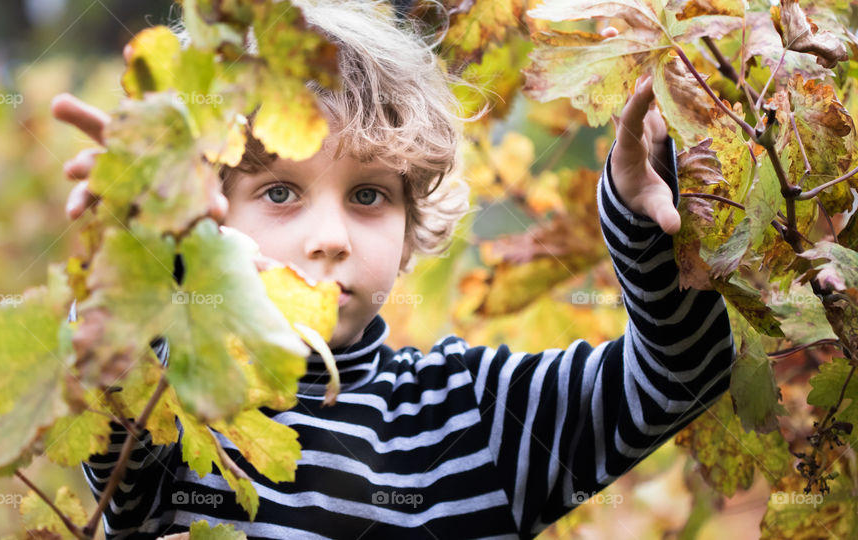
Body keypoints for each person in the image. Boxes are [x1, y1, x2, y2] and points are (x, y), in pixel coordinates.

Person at [52, 1, 734, 538]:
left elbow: (682, 373)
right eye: (279, 193)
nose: (329, 238)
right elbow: (104, 376)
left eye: (368, 195)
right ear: (208, 217)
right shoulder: (167, 402)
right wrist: (143, 239)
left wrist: (640, 220)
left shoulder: (473, 416)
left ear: (411, 228)